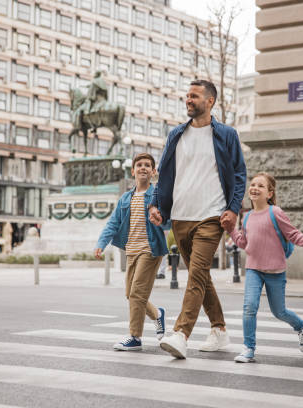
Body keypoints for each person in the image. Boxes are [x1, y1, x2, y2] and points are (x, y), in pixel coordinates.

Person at [149, 79, 246, 359]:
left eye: (194, 96)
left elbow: (239, 175)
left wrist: (233, 207)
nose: (188, 100)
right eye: (187, 96)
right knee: (200, 276)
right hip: (180, 216)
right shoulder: (176, 135)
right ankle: (219, 329)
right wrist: (156, 205)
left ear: (210, 101)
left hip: (211, 214)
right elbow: (165, 175)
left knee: (196, 274)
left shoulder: (227, 134)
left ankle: (181, 333)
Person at [230, 173, 303, 363]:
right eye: (253, 184)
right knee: (249, 307)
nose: (254, 187)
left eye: (260, 186)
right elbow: (244, 243)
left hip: (275, 271)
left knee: (279, 312)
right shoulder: (246, 217)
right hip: (253, 269)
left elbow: (293, 234)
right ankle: (248, 348)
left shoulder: (275, 212)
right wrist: (231, 229)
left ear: (270, 193)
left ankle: (302, 326)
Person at [95, 152, 168, 351]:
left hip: (151, 250)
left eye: (147, 165)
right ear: (133, 170)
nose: (143, 167)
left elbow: (169, 221)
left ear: (153, 172)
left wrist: (162, 219)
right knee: (131, 294)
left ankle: (135, 337)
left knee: (137, 293)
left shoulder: (157, 196)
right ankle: (157, 314)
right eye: (139, 165)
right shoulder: (125, 198)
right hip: (131, 250)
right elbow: (113, 223)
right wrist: (101, 243)